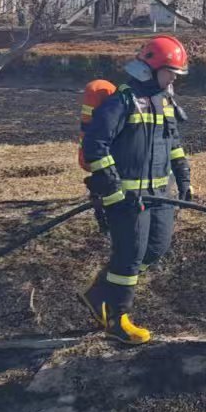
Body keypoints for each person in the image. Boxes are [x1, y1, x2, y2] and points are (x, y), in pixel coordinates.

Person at [80, 35, 193, 344]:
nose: (172, 79)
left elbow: (174, 144)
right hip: (129, 200)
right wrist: (115, 191)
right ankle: (118, 319)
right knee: (129, 256)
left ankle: (101, 293)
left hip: (160, 196)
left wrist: (184, 178)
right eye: (170, 72)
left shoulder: (163, 101)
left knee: (156, 248)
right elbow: (95, 145)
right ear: (150, 68)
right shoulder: (122, 101)